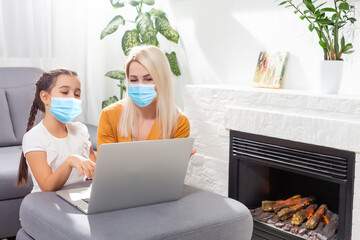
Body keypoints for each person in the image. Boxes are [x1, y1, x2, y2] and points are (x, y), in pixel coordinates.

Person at [97, 45, 193, 149]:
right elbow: (106, 163)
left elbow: (173, 164)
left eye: (148, 79)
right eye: (133, 80)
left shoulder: (179, 122)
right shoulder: (109, 116)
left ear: (163, 80)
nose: (140, 86)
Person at [17, 69, 96, 192]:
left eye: (77, 94)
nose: (72, 98)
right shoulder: (34, 137)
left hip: (78, 197)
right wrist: (71, 161)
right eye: (65, 92)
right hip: (48, 201)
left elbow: (95, 170)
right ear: (45, 97)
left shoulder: (81, 130)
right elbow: (47, 187)